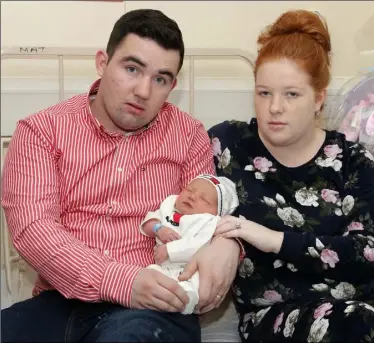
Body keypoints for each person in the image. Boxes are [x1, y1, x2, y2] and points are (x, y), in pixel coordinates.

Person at [0, 9, 242, 342]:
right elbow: (33, 230)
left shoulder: (188, 136)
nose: (143, 90)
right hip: (59, 301)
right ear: (102, 63)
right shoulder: (41, 132)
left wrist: (229, 244)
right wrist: (121, 282)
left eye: (160, 79)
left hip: (152, 309)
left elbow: (211, 218)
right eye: (132, 69)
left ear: (172, 85)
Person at [208, 9, 374, 343]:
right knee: (356, 325)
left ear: (318, 99)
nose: (274, 107)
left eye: (291, 94)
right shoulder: (226, 147)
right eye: (264, 93)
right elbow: (184, 208)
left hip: (366, 298)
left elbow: (371, 254)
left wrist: (274, 239)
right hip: (277, 313)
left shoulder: (352, 162)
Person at [140, 174, 239, 315]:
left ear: (217, 212)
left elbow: (199, 245)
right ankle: (158, 302)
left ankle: (186, 302)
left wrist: (169, 250)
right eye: (189, 190)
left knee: (196, 285)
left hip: (191, 269)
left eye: (203, 199)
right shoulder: (170, 205)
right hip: (165, 268)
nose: (192, 197)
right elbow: (149, 221)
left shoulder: (209, 222)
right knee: (150, 274)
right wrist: (158, 229)